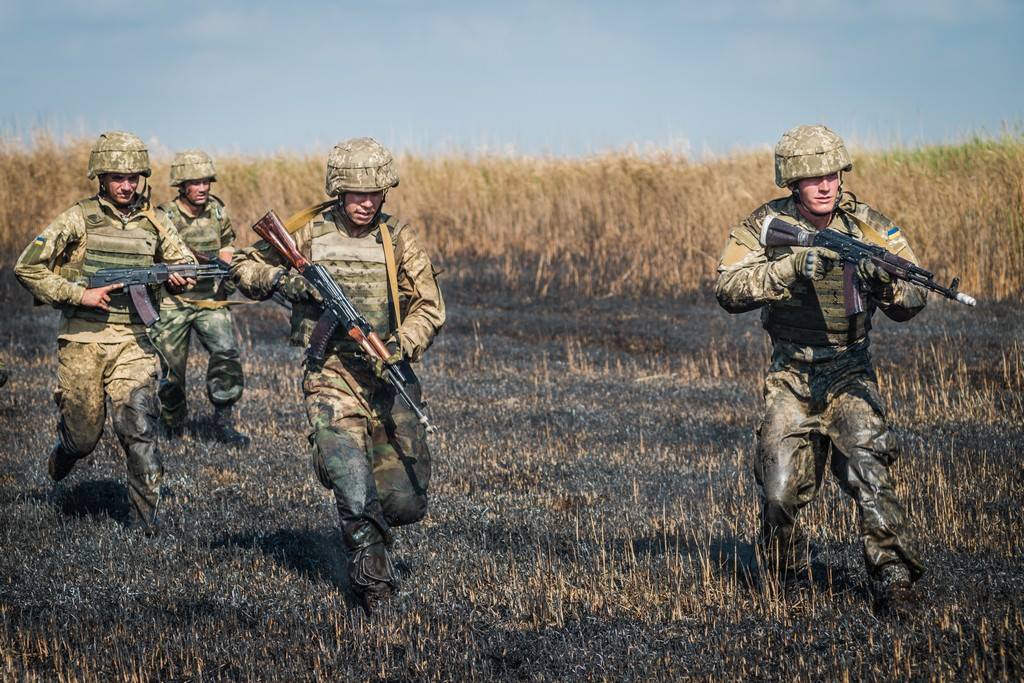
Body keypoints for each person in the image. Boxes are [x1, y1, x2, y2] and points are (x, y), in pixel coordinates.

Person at [715, 124, 926, 615]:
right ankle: (784, 575)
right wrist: (791, 267)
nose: (826, 185)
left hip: (849, 370)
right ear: (791, 182)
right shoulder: (763, 225)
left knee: (870, 470)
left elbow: (914, 293)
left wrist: (884, 284)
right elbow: (728, 289)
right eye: (813, 178)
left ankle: (895, 582)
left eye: (831, 174)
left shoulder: (868, 225)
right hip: (791, 375)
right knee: (780, 487)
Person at [234, 137, 445, 608]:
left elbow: (429, 307)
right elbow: (244, 266)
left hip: (388, 376)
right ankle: (374, 586)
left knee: (405, 502)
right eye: (355, 193)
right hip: (330, 375)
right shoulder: (308, 231)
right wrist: (284, 281)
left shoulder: (397, 239)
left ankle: (353, 491)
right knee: (353, 483)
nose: (365, 202)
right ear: (338, 190)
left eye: (373, 193)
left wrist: (398, 346)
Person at [14, 130, 195, 532]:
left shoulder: (157, 221)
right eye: (117, 177)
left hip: (134, 342)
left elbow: (181, 261)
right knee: (84, 437)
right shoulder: (79, 218)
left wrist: (178, 277)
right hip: (83, 342)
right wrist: (80, 294)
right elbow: (27, 266)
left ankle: (144, 529)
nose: (127, 186)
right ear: (101, 178)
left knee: (141, 429)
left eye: (133, 178)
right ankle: (66, 450)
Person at [149, 150, 248, 445]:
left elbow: (228, 242)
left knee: (226, 354)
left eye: (206, 181)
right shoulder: (163, 216)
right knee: (171, 370)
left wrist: (225, 263)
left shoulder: (217, 211)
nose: (203, 188)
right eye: (195, 182)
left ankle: (223, 420)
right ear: (181, 185)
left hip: (210, 301)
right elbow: (151, 255)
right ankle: (172, 423)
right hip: (173, 303)